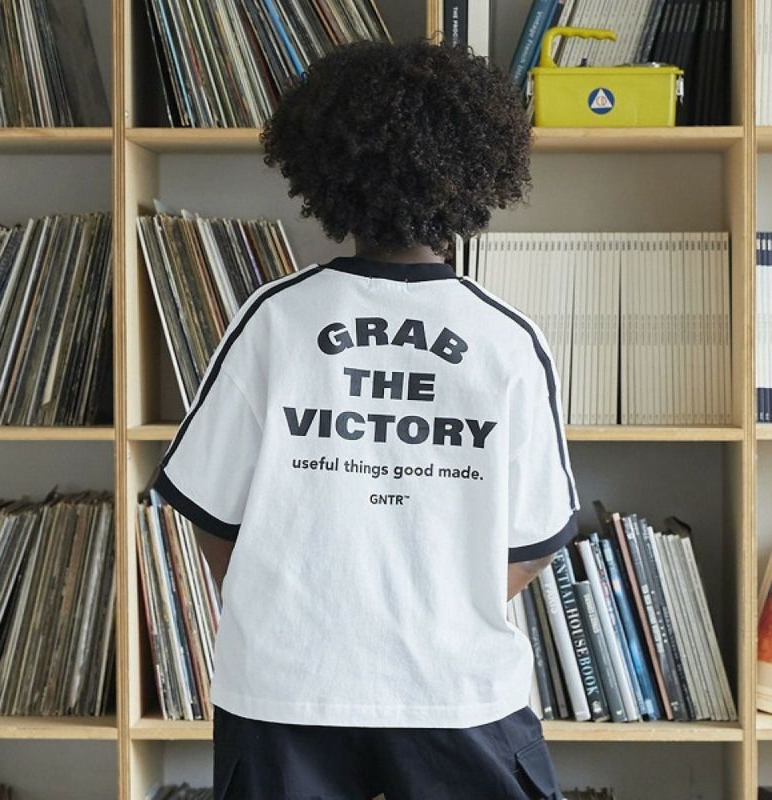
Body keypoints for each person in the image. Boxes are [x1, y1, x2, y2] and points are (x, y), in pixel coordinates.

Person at [151, 36, 580, 800]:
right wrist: (437, 600)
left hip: (285, 686)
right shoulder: (506, 341)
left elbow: (211, 514)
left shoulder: (273, 319)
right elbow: (536, 541)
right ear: (478, 173)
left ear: (325, 169)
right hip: (456, 692)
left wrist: (288, 599)